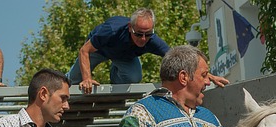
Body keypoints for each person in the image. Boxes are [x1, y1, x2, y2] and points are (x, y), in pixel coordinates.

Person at [68, 8, 227, 94]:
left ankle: (115, 77)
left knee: (134, 76)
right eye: (138, 34)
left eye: (147, 34)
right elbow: (84, 50)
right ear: (130, 28)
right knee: (75, 81)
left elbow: (180, 59)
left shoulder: (152, 41)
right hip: (99, 50)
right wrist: (87, 78)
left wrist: (206, 74)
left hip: (124, 57)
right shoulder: (111, 30)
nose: (143, 39)